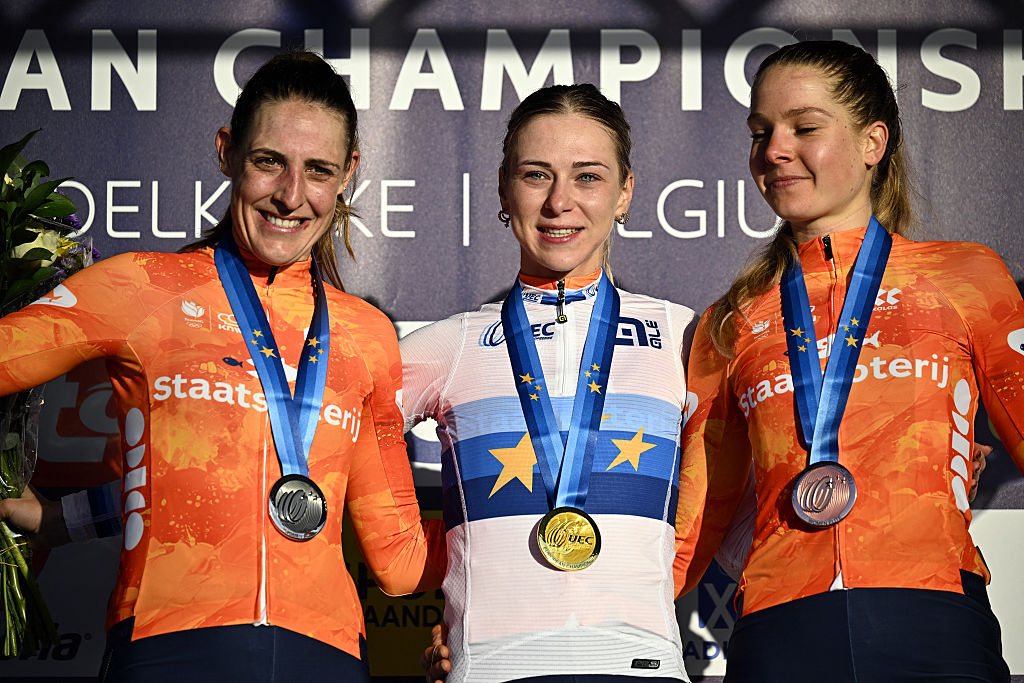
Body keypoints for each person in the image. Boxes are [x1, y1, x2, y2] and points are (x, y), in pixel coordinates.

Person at [0, 51, 444, 682]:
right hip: (167, 648)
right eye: (269, 161)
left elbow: (398, 562)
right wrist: (45, 512)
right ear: (226, 152)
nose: (291, 195)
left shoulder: (366, 335)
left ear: (348, 172)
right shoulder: (142, 289)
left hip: (325, 657)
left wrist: (534, 540)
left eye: (318, 170)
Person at [677, 40, 1020, 681]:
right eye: (760, 132)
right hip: (779, 627)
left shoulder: (965, 275)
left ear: (872, 143)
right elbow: (694, 527)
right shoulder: (730, 320)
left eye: (805, 128)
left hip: (935, 614)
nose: (774, 150)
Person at [400, 83, 701, 682]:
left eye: (587, 177)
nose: (560, 202)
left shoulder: (683, 337)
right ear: (503, 189)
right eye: (537, 175)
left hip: (643, 666)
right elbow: (336, 443)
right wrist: (450, 561)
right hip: (490, 668)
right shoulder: (450, 344)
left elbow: (736, 495)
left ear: (625, 192)